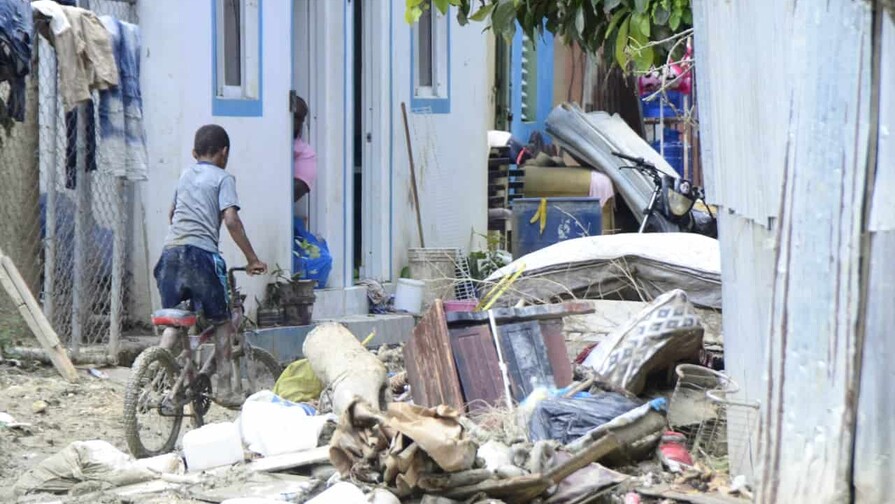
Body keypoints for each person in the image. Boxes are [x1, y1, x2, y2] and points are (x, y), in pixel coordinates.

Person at [155, 124, 268, 407]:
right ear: (224, 153)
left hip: (169, 256)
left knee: (176, 316)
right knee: (221, 321)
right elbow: (230, 220)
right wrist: (252, 259)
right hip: (201, 258)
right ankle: (226, 388)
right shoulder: (223, 177)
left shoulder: (184, 175)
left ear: (194, 153)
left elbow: (172, 214)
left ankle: (156, 375)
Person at [293, 97, 317, 201]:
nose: (293, 121)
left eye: (297, 117)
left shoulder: (306, 154)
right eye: (291, 116)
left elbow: (286, 196)